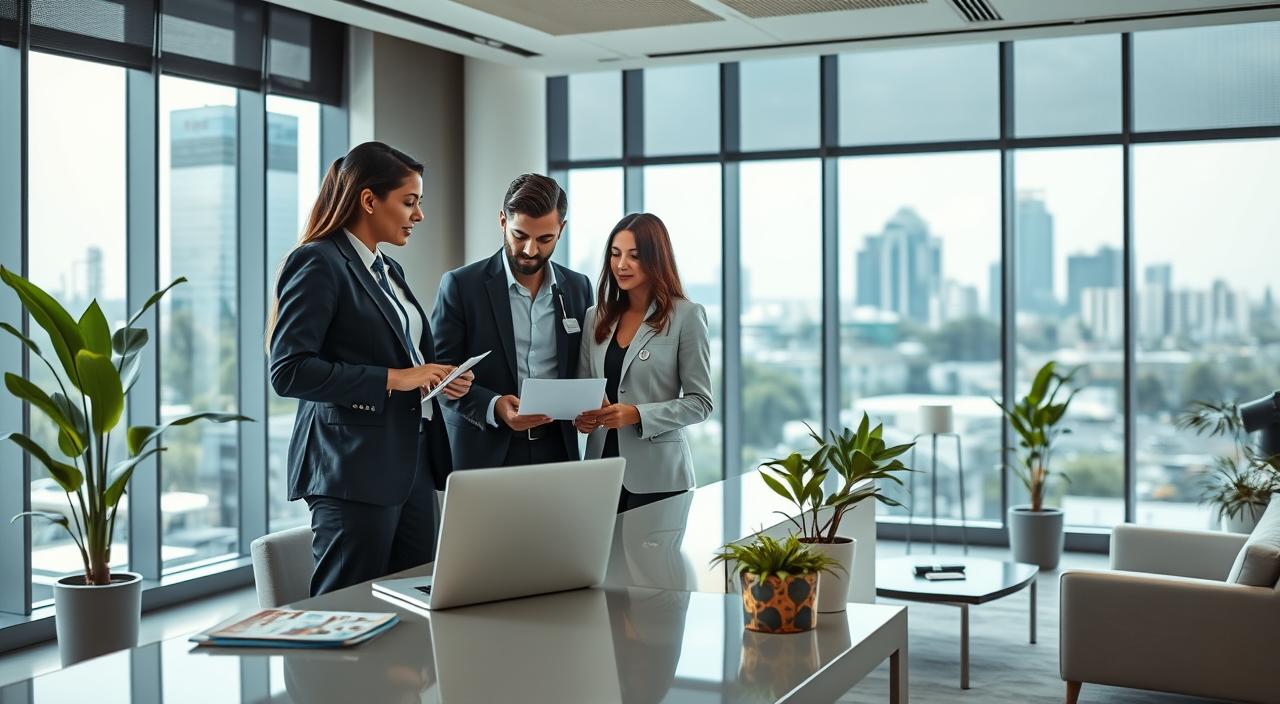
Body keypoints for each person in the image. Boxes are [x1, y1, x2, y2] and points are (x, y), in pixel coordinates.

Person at [268, 141, 472, 596]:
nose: (418, 215)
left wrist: (437, 379)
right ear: (368, 200)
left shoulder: (388, 269)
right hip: (352, 469)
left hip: (410, 464)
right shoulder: (318, 262)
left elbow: (398, 356)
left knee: (414, 598)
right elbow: (289, 371)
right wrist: (397, 379)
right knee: (346, 605)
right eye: (409, 201)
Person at [430, 174, 593, 468]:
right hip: (484, 450)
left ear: (561, 229)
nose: (531, 250)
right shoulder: (461, 286)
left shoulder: (578, 288)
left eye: (545, 239)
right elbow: (440, 377)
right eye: (520, 236)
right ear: (503, 221)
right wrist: (494, 406)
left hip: (558, 450)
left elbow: (584, 366)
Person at [575, 213, 713, 512]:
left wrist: (637, 414)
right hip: (599, 474)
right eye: (615, 254)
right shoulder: (595, 317)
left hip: (659, 478)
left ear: (656, 259)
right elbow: (585, 388)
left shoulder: (687, 317)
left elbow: (700, 403)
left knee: (652, 561)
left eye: (634, 256)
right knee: (600, 559)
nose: (621, 264)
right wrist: (583, 417)